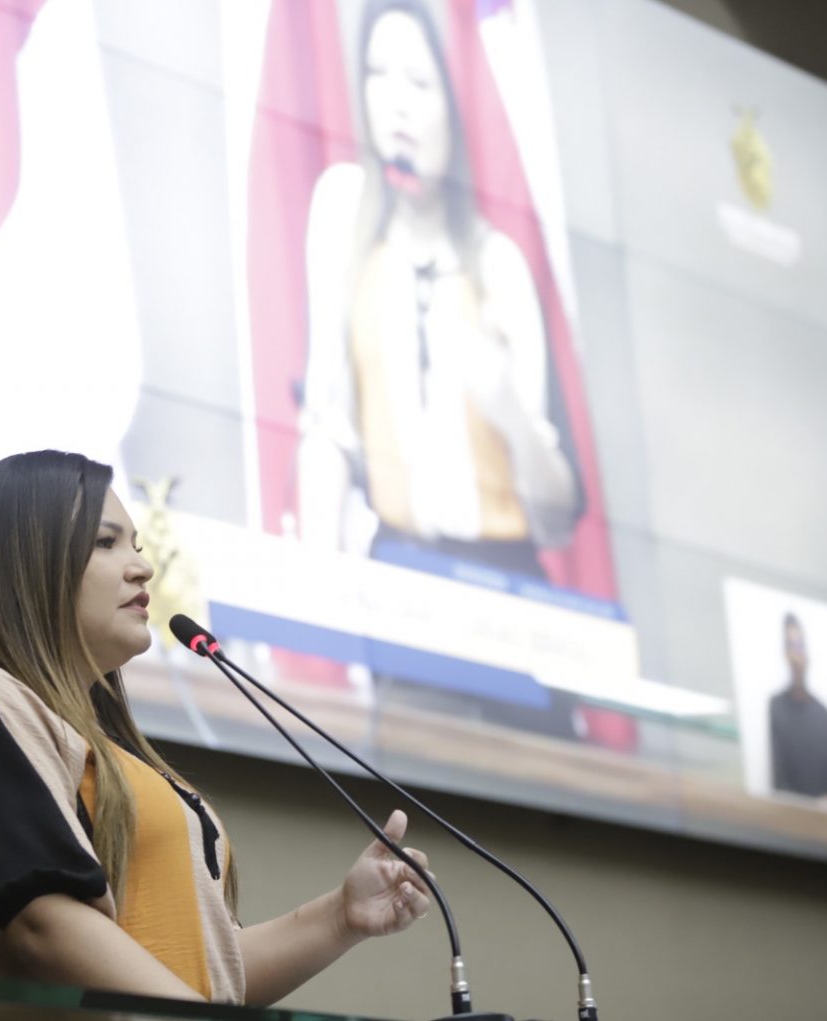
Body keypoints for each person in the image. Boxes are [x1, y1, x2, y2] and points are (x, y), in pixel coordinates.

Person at [0, 450, 433, 1004]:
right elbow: (45, 923)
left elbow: (204, 976)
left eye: (138, 546)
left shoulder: (116, 752)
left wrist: (340, 916)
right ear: (25, 559)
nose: (142, 567)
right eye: (105, 542)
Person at [296, 0, 582, 737]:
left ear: (454, 106)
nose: (395, 101)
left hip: (514, 595)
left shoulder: (498, 264)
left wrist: (510, 411)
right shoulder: (342, 214)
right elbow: (326, 425)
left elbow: (554, 516)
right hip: (402, 591)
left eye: (419, 82)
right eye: (377, 74)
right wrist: (310, 594)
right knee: (419, 814)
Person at [769, 613, 827, 801]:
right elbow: (778, 776)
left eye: (799, 646)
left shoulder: (824, 714)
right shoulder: (776, 707)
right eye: (791, 646)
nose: (796, 656)